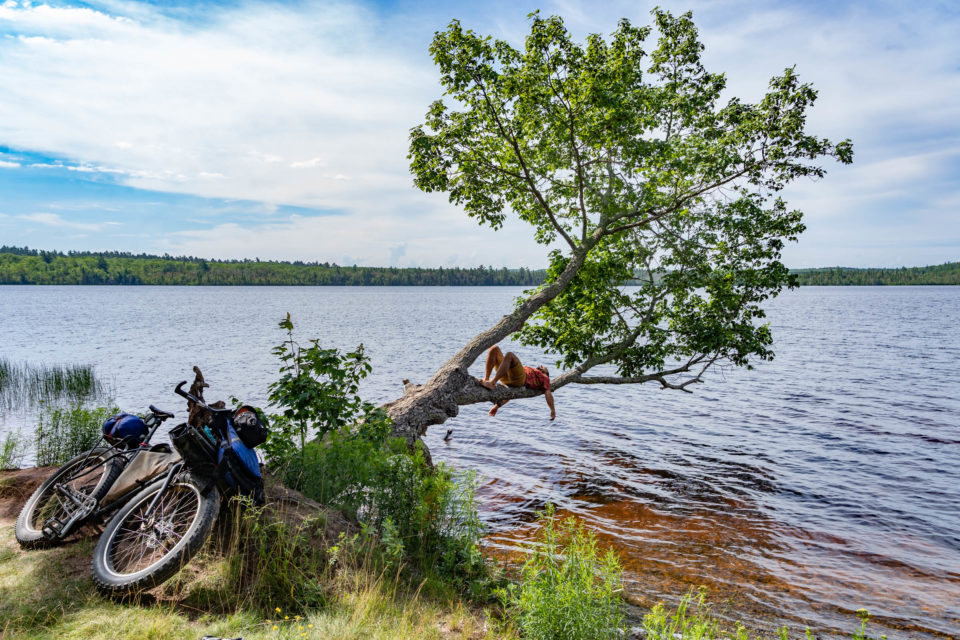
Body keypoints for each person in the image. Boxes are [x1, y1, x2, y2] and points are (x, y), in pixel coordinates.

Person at [478, 345, 556, 420]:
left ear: (545, 373)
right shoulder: (531, 370)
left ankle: (492, 382)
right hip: (506, 376)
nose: (541, 365)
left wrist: (552, 410)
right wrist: (496, 407)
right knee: (494, 348)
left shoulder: (545, 377)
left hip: (520, 379)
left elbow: (548, 393)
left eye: (544, 368)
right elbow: (511, 393)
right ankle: (486, 380)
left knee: (510, 355)